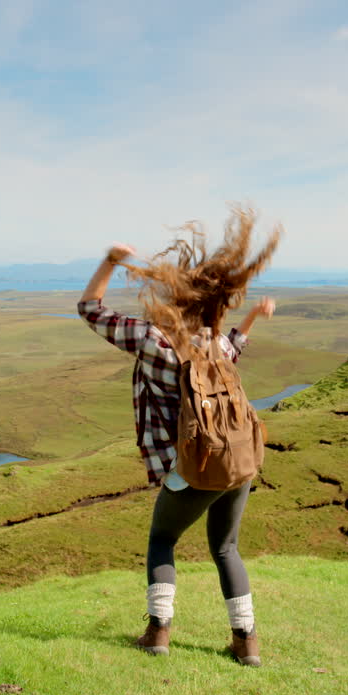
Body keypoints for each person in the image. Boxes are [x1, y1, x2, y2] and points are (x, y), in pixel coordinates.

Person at [77, 206, 281, 667]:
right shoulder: (213, 341)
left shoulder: (153, 339)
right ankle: (246, 641)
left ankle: (158, 633)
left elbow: (90, 310)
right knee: (226, 547)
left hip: (189, 467)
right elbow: (236, 347)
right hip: (238, 462)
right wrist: (250, 318)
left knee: (162, 539)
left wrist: (110, 260)